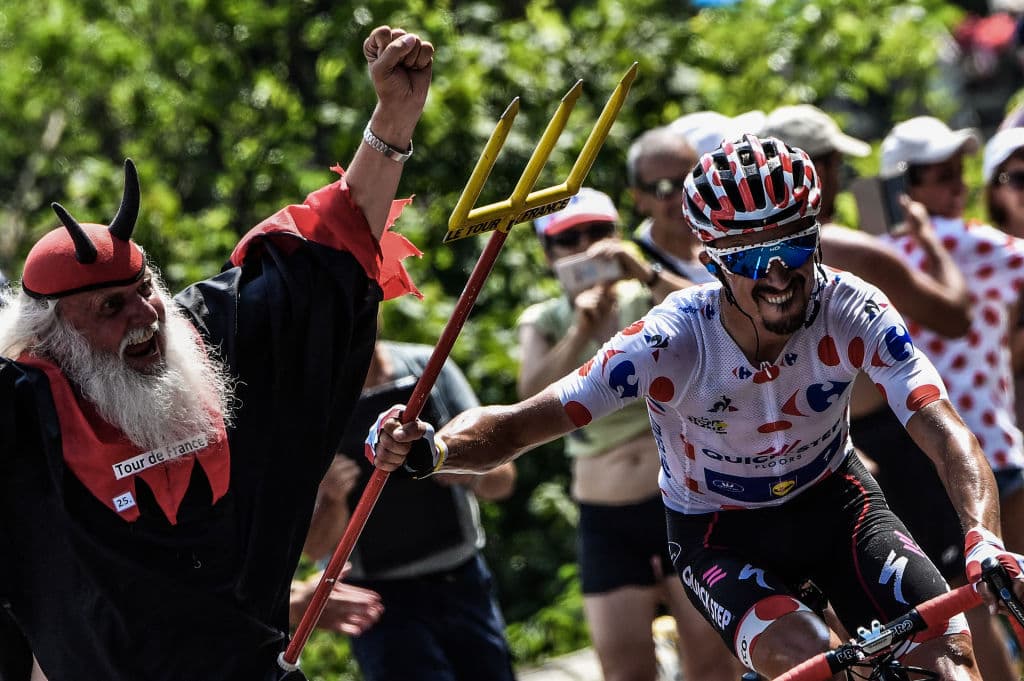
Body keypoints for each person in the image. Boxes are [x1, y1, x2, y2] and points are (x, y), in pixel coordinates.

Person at [372, 135, 1024, 681]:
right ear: (712, 261)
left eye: (794, 248)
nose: (777, 274)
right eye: (750, 257)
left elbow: (944, 429)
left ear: (816, 240)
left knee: (949, 665)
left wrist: (983, 535)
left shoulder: (852, 307)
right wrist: (434, 449)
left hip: (838, 503)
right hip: (721, 532)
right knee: (814, 668)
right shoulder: (670, 341)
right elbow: (519, 423)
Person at [0, 25, 432, 681]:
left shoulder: (210, 336)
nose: (145, 315)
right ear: (51, 334)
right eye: (110, 308)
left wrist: (394, 116)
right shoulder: (19, 412)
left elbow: (330, 253)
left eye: (142, 289)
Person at [761, 104, 972, 598]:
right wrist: (925, 239)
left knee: (861, 615)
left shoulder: (736, 269)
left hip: (795, 459)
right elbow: (954, 315)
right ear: (817, 170)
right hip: (882, 444)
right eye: (836, 163)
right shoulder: (852, 251)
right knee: (955, 602)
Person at [518, 188, 729, 681]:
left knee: (713, 662)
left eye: (599, 233)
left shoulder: (652, 300)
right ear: (549, 256)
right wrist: (579, 331)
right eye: (570, 239)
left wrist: (644, 272)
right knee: (624, 669)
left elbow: (718, 323)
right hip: (605, 517)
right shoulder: (544, 320)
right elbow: (528, 400)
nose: (587, 247)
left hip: (682, 502)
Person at [877, 115, 1024, 679]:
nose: (958, 189)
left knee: (970, 609)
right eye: (941, 177)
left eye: (961, 175)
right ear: (903, 187)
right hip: (992, 449)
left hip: (931, 455)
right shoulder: (968, 242)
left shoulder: (874, 257)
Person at [300, 336, 518, 681]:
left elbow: (503, 482)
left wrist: (459, 465)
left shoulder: (429, 369)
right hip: (380, 605)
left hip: (462, 579)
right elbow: (314, 549)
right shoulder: (304, 405)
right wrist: (332, 498)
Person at [626, 126, 717, 285]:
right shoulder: (633, 263)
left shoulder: (730, 236)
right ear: (639, 198)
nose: (682, 198)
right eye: (663, 188)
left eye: (689, 181)